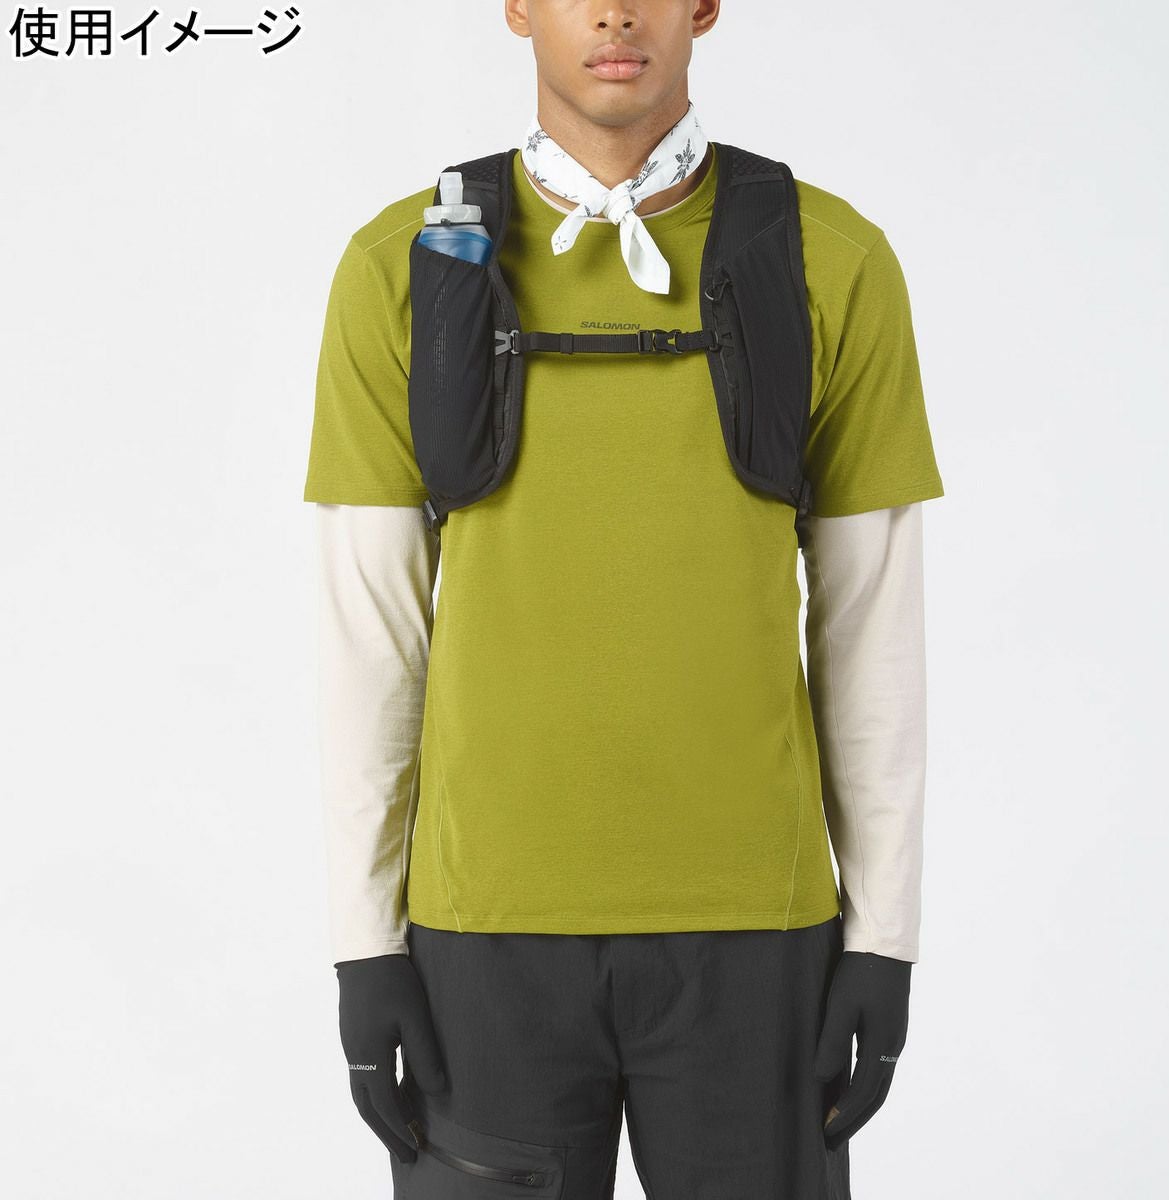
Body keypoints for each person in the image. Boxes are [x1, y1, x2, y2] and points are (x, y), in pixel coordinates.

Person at [302, 2, 944, 1196]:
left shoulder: (828, 259)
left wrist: (883, 937)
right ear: (516, 8)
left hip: (759, 935)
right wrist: (364, 944)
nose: (612, 12)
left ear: (704, 7)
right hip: (478, 935)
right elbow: (371, 638)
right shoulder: (405, 265)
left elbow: (872, 631)